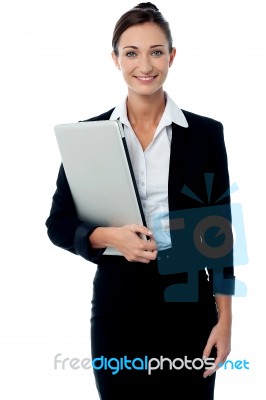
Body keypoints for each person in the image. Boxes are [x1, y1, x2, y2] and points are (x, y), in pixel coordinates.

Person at [46, 2, 235, 399]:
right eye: (131, 52)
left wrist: (226, 319)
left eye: (156, 51)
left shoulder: (204, 134)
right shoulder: (89, 135)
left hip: (187, 302)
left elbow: (217, 232)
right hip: (118, 304)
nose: (144, 64)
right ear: (115, 59)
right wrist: (110, 236)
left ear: (172, 56)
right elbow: (58, 224)